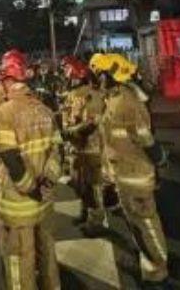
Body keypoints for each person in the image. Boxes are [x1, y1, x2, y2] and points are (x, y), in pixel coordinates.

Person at [94, 54, 170, 288]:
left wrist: (159, 160)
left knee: (146, 223)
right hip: (125, 174)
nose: (98, 79)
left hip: (135, 175)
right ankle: (149, 262)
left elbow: (146, 139)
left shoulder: (126, 102)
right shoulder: (116, 98)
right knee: (137, 223)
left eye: (100, 75)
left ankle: (158, 269)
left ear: (110, 76)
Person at [0, 51, 62, 289]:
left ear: (11, 80)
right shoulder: (45, 110)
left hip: (18, 202)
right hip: (44, 201)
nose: (2, 85)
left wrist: (30, 189)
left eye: (3, 80)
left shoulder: (6, 111)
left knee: (19, 259)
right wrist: (48, 183)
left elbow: (10, 156)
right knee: (47, 253)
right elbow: (57, 151)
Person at [60, 57, 105, 235]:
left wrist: (68, 133)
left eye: (68, 72)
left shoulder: (91, 95)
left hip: (90, 148)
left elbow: (91, 123)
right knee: (80, 184)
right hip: (76, 148)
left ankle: (95, 220)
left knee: (92, 186)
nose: (67, 76)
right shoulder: (74, 94)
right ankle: (85, 212)